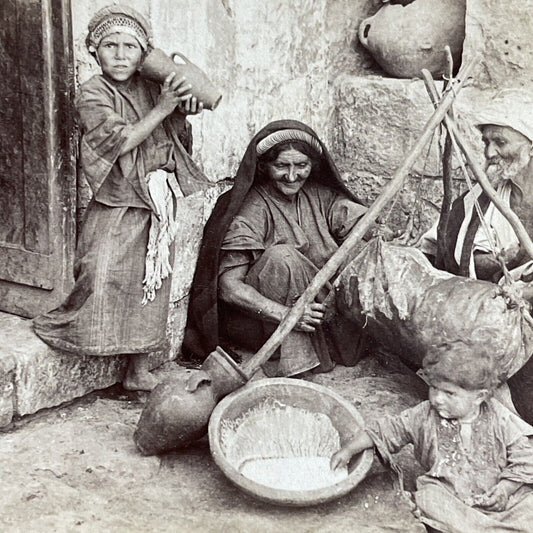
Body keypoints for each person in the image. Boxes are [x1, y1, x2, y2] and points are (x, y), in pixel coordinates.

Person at [33, 5, 211, 391]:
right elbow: (122, 139)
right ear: (94, 50)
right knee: (99, 271)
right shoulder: (93, 93)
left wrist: (183, 111)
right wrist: (164, 108)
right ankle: (78, 336)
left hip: (156, 197)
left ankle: (138, 370)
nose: (120, 55)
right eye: (110, 45)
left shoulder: (150, 86)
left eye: (130, 47)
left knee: (151, 280)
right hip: (116, 197)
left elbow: (174, 135)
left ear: (143, 53)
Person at [183, 120, 372, 377]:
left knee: (363, 249)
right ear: (264, 166)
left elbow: (360, 224)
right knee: (281, 256)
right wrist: (288, 315)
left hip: (317, 314)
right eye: (281, 165)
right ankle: (298, 364)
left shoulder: (320, 196)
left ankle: (336, 342)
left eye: (301, 166)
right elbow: (229, 288)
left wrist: (378, 236)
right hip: (267, 321)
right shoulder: (251, 209)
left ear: (312, 166)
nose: (292, 176)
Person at [330, 345, 533, 533]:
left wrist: (505, 489)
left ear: (479, 397)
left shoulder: (499, 417)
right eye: (434, 387)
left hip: (498, 495)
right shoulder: (423, 415)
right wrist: (348, 450)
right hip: (451, 496)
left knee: (528, 507)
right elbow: (386, 430)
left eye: (449, 393)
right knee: (428, 499)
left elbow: (524, 457)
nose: (437, 398)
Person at [419, 89, 533, 283]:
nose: (489, 153)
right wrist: (503, 261)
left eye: (500, 142)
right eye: (486, 142)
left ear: (531, 146)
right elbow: (445, 252)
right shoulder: (479, 199)